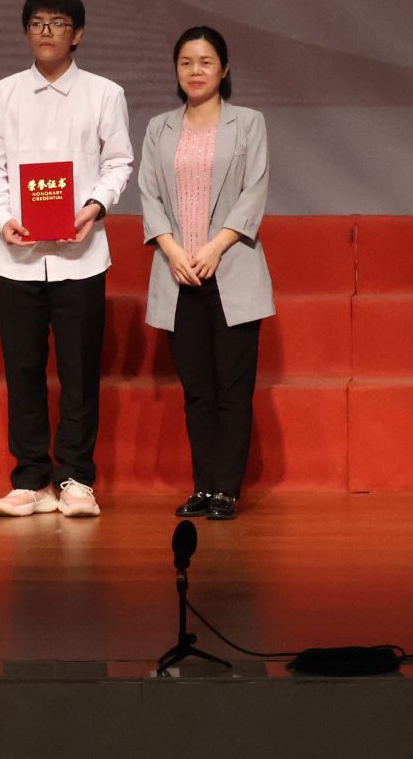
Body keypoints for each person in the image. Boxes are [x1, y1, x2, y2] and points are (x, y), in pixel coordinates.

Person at [0, 0, 134, 518]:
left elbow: (119, 162)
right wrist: (4, 217)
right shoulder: (3, 94)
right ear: (26, 32)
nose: (46, 32)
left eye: (58, 23)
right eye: (37, 23)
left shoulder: (105, 93)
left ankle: (77, 478)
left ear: (77, 34)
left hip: (80, 257)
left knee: (79, 371)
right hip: (15, 257)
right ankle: (31, 479)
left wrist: (93, 207)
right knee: (23, 370)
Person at [137, 26, 272, 521]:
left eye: (206, 62)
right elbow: (149, 194)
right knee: (197, 391)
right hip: (179, 274)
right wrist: (173, 251)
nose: (195, 71)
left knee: (232, 388)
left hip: (231, 268)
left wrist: (215, 247)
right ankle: (204, 485)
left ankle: (226, 490)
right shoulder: (159, 128)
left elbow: (254, 191)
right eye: (186, 62)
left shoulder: (249, 123)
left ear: (225, 69)